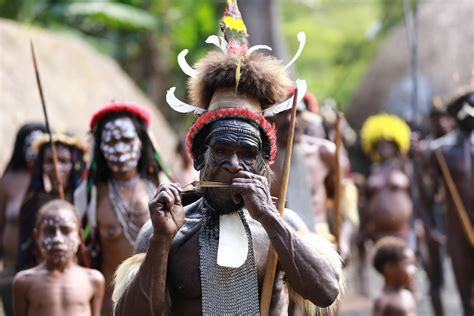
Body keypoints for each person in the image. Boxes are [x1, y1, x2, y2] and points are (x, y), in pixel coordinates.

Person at [112, 1, 343, 315]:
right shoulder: (164, 229)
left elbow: (326, 292)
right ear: (198, 159)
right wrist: (161, 243)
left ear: (263, 167)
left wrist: (270, 218)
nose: (234, 164)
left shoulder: (282, 224)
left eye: (248, 154)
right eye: (221, 151)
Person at [74, 102, 168, 314]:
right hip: (111, 304)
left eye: (126, 140)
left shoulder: (161, 186)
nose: (119, 149)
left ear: (142, 142)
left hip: (159, 304)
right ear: (100, 147)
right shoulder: (89, 196)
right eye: (111, 141)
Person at [269, 90, 359, 264]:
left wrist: (345, 242)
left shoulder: (326, 153)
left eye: (298, 112)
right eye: (282, 112)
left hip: (320, 241)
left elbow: (345, 201)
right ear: (271, 117)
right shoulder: (261, 160)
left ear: (308, 116)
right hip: (276, 245)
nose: (290, 119)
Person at [425, 87, 474, 316]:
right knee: (466, 296)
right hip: (458, 232)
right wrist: (431, 226)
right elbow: (428, 194)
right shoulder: (441, 151)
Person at [12, 199, 104, 316]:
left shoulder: (93, 280)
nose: (57, 239)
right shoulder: (24, 282)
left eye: (66, 230)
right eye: (49, 231)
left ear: (79, 237)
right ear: (37, 236)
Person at [17, 133, 87, 272]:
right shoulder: (32, 202)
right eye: (50, 161)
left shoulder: (85, 200)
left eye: (63, 161)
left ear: (74, 164)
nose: (56, 168)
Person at [413, 96, 456, 316]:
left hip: (463, 216)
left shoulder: (464, 143)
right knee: (435, 278)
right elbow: (424, 194)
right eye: (435, 118)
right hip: (437, 217)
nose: (440, 122)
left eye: (444, 117)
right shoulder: (427, 150)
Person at [0, 123, 46, 315]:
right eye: (29, 145)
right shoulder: (9, 181)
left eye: (39, 145)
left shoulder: (57, 180)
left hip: (46, 274)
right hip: (11, 269)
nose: (33, 151)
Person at [372, 236, 417, 316]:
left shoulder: (408, 295)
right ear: (389, 268)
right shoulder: (383, 301)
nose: (414, 269)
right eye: (408, 264)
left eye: (413, 264)